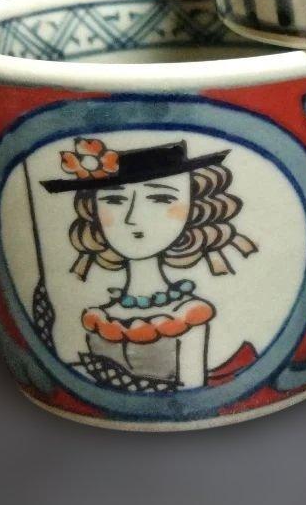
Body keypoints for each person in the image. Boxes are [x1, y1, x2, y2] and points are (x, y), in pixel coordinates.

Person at [42, 138, 256, 392]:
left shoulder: (188, 315)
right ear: (93, 210)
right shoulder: (98, 315)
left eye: (160, 198)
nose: (133, 218)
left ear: (194, 207)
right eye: (114, 200)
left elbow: (191, 393)